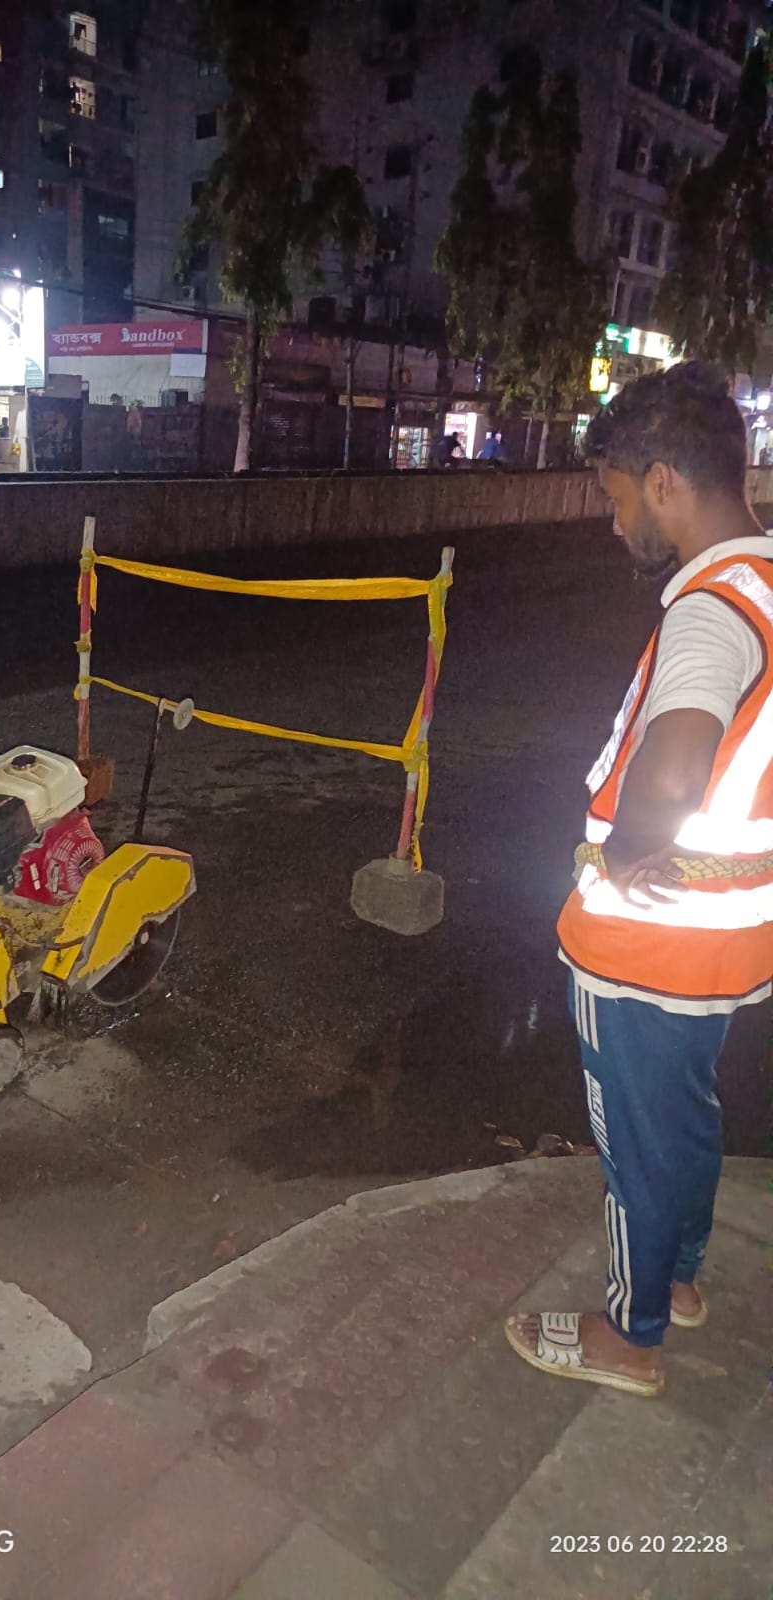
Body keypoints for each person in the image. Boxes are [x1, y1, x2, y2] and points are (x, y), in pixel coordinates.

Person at [506, 362, 773, 1398]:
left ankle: (630, 1334)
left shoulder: (709, 611)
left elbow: (670, 770)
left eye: (618, 498)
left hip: (646, 945)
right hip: (724, 941)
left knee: (635, 1146)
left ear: (664, 483)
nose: (616, 523)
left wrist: (622, 853)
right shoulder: (766, 585)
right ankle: (681, 1277)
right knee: (687, 1115)